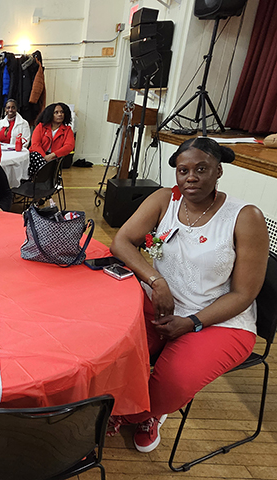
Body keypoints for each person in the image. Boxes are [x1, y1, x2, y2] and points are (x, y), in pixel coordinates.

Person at [109, 137, 269, 453]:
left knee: (176, 380)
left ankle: (137, 414)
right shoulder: (165, 199)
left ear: (219, 171)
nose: (191, 178)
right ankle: (131, 405)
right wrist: (157, 281)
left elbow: (244, 293)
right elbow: (122, 241)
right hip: (159, 303)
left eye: (201, 169)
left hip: (218, 319)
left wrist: (193, 321)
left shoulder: (245, 216)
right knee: (113, 349)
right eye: (183, 171)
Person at [28, 103, 74, 179]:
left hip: (55, 158)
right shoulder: (41, 127)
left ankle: (37, 179)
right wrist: (44, 157)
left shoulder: (67, 130)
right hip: (39, 155)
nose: (60, 114)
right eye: (56, 112)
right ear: (50, 114)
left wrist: (52, 155)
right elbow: (35, 144)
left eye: (62, 112)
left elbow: (69, 146)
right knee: (34, 155)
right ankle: (49, 177)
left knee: (35, 162)